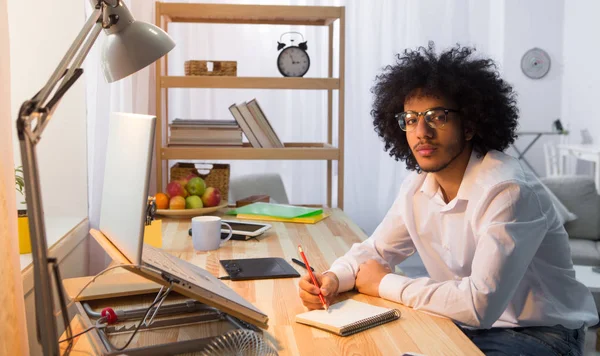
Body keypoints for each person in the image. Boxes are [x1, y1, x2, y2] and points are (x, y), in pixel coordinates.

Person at [298, 43, 598, 355]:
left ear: (468, 126)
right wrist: (333, 278)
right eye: (411, 119)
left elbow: (479, 305)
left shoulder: (507, 191)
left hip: (539, 333)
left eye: (437, 117)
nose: (421, 132)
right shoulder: (417, 187)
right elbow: (374, 252)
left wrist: (384, 283)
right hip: (461, 323)